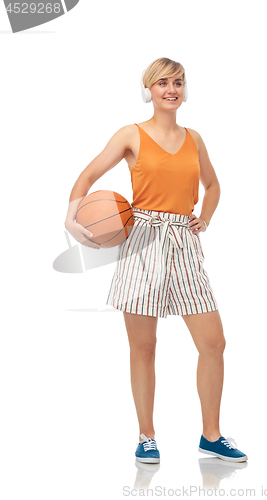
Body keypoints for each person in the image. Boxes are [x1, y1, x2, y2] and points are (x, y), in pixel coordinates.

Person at [65, 57, 248, 464]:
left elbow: (213, 184)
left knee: (214, 342)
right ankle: (146, 436)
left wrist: (207, 216)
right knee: (144, 347)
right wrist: (71, 215)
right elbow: (88, 175)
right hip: (143, 240)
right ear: (148, 89)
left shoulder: (194, 138)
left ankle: (211, 436)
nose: (171, 89)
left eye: (178, 82)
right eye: (162, 82)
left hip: (184, 241)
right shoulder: (131, 134)